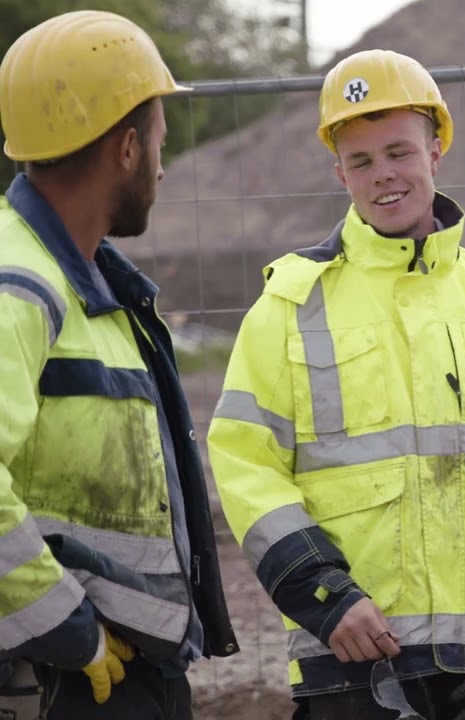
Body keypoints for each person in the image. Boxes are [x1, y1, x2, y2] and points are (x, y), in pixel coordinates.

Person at [207, 48, 465, 719]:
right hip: (353, 659)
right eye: (362, 161)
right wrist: (321, 594)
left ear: (435, 152)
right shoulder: (291, 305)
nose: (384, 175)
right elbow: (245, 461)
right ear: (339, 172)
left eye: (399, 152)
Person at [0, 10, 240, 719]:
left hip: (117, 668)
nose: (164, 165)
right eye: (161, 140)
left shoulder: (88, 284)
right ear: (128, 148)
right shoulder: (21, 286)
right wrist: (70, 633)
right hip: (64, 678)